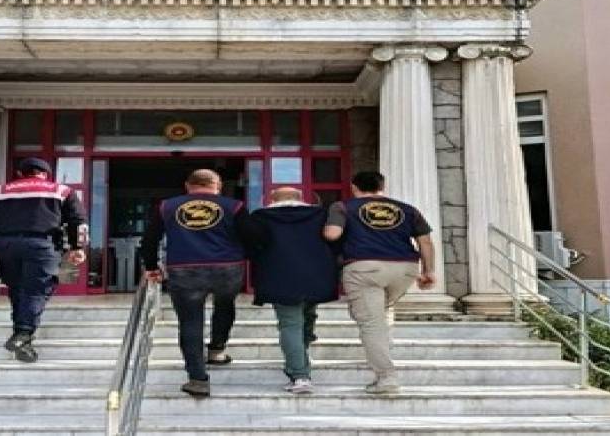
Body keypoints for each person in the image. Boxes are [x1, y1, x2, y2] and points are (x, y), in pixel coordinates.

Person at [139, 169, 250, 398]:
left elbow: (150, 239)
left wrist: (151, 266)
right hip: (227, 267)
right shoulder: (234, 206)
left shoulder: (167, 206)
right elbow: (250, 236)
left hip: (184, 268)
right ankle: (217, 350)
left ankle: (198, 379)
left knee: (190, 321)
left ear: (188, 185)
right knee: (225, 305)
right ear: (218, 185)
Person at [323, 171, 436, 394]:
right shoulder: (408, 209)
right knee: (382, 310)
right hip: (405, 269)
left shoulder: (343, 207)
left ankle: (386, 377)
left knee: (371, 322)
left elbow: (333, 234)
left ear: (354, 187)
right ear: (381, 186)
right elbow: (425, 242)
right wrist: (428, 271)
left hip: (365, 267)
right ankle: (382, 351)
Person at [0, 157, 87, 363]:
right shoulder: (61, 191)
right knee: (37, 289)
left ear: (20, 173)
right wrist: (78, 247)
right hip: (40, 244)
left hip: (5, 245)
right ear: (46, 174)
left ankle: (22, 339)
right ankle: (23, 334)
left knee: (17, 289)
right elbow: (78, 221)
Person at [248, 187, 338, 394]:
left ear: (272, 199)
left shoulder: (261, 217)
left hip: (279, 276)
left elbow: (253, 246)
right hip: (316, 275)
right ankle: (301, 357)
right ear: (301, 198)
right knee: (308, 316)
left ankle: (300, 375)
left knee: (290, 324)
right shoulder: (320, 215)